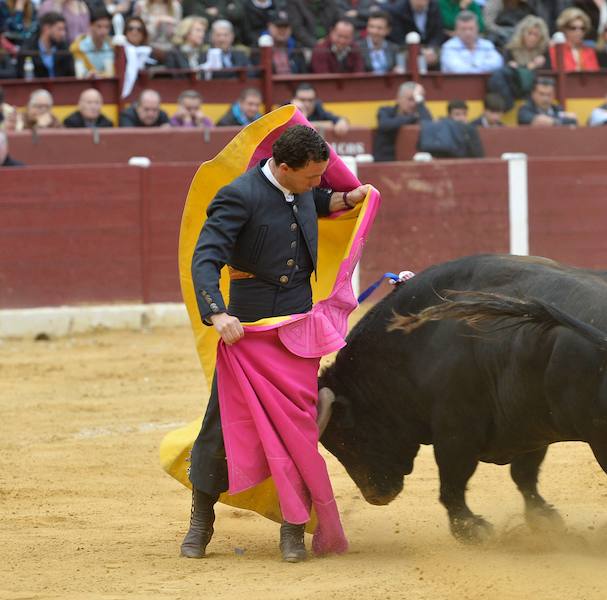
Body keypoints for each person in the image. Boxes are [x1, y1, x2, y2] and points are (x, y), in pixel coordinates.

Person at [182, 123, 370, 562]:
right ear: (283, 168)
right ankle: (200, 520)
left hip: (297, 325)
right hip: (250, 326)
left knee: (297, 428)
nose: (317, 183)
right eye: (310, 176)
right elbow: (206, 256)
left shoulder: (304, 186)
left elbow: (315, 201)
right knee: (222, 424)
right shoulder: (238, 195)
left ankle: (293, 527)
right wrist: (217, 311)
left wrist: (346, 199)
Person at [374, 81, 432, 161]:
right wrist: (412, 117)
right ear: (398, 99)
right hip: (387, 161)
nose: (413, 104)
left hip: (414, 163)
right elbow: (385, 125)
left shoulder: (421, 113)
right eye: (410, 99)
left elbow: (429, 125)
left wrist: (420, 101)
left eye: (416, 100)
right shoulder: (386, 111)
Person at [385, 0, 446, 68]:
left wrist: (431, 48)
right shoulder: (398, 9)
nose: (420, 2)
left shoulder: (434, 6)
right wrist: (419, 51)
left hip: (430, 49)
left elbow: (438, 32)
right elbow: (398, 37)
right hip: (406, 48)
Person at [15, 11, 76, 78]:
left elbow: (71, 76)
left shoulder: (64, 49)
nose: (63, 34)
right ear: (46, 29)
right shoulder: (28, 50)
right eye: (59, 29)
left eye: (64, 30)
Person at [551, 7, 599, 72]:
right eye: (573, 28)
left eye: (582, 28)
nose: (578, 32)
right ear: (564, 29)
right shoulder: (555, 50)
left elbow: (594, 75)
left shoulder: (589, 52)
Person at [70, 8, 114, 78]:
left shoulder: (113, 48)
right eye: (99, 26)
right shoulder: (78, 47)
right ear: (90, 25)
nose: (103, 31)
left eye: (107, 27)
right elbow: (79, 75)